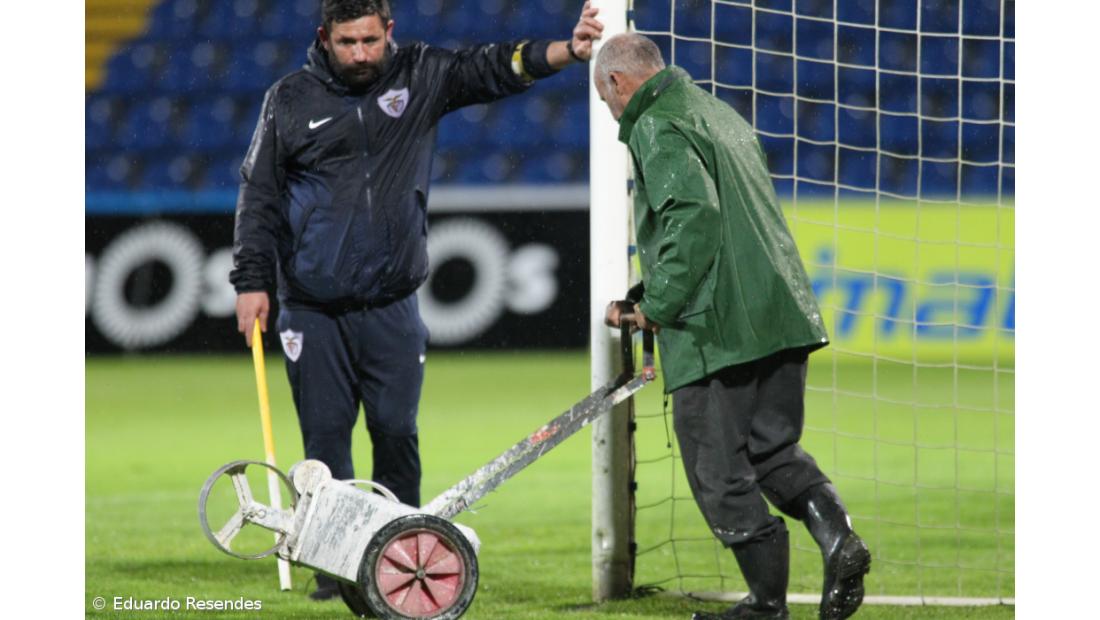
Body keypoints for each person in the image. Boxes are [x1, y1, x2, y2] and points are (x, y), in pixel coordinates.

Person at [231, 0, 603, 601]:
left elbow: (493, 68)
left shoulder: (421, 75)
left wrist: (567, 50)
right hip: (311, 306)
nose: (359, 54)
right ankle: (336, 566)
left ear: (390, 33)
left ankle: (398, 555)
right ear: (324, 37)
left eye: (370, 41)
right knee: (325, 443)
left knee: (396, 431)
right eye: (347, 42)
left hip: (393, 304)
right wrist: (251, 280)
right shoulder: (289, 100)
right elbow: (259, 196)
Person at [595, 34, 871, 620]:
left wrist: (657, 305)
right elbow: (725, 216)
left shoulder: (654, 122)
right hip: (781, 313)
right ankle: (839, 537)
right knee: (773, 452)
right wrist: (651, 288)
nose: (613, 113)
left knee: (719, 471)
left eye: (607, 101)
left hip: (719, 329)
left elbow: (695, 216)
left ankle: (768, 607)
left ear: (619, 83)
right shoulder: (717, 111)